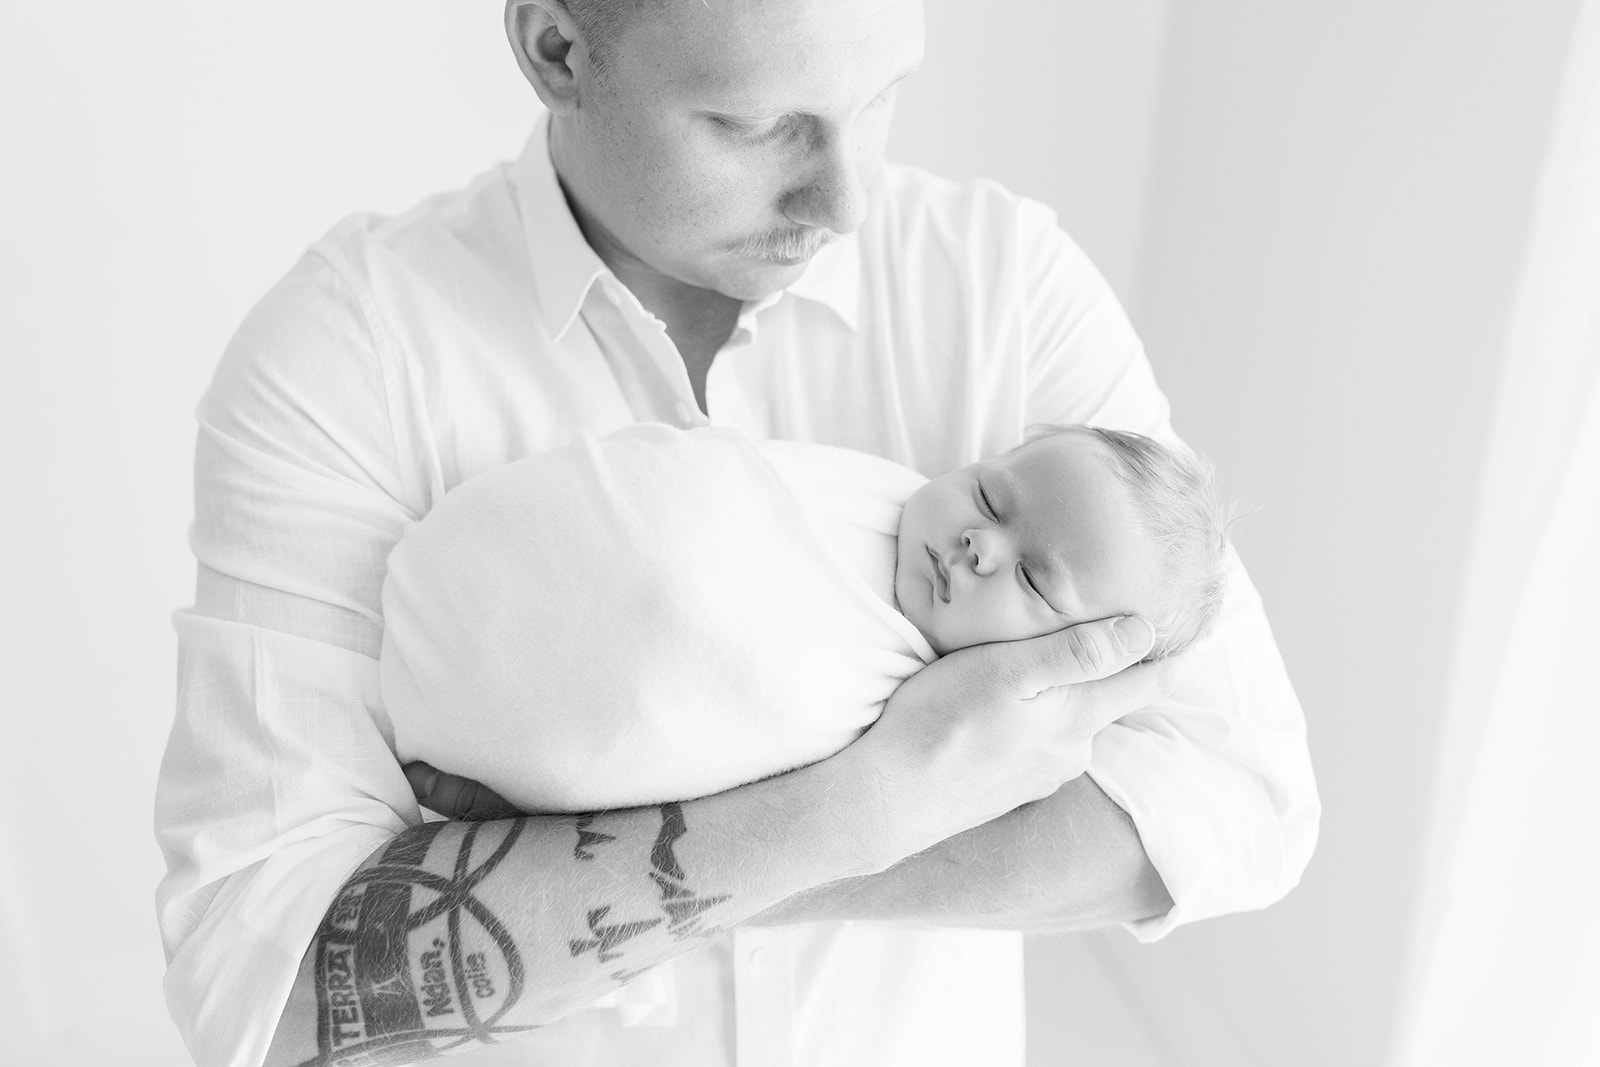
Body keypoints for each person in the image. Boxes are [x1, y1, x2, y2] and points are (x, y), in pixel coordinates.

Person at [154, 2, 1320, 1065]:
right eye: (759, 124)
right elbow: (269, 981)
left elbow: (1238, 791)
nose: (848, 201)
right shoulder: (350, 349)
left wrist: (757, 857)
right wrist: (858, 807)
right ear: (556, 49)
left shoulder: (1000, 282)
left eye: (881, 98)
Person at [380, 422, 1233, 814]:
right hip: (494, 565)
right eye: (988, 494)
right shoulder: (864, 493)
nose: (978, 543)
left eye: (1036, 578)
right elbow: (683, 490)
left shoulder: (934, 726)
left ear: (1070, 666)